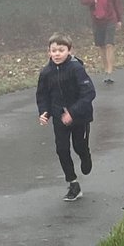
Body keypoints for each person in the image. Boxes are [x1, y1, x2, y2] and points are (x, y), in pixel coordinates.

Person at [36, 33, 96, 202]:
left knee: (79, 146)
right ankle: (73, 183)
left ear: (69, 51)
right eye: (53, 50)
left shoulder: (76, 69)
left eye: (61, 50)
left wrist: (73, 112)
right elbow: (43, 95)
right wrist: (44, 112)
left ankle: (85, 155)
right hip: (58, 117)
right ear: (48, 52)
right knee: (61, 149)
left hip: (80, 117)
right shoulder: (46, 72)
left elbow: (89, 93)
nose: (56, 54)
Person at [79, 0, 123, 83]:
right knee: (102, 46)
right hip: (97, 18)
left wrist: (119, 19)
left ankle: (109, 71)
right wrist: (94, 0)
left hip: (111, 17)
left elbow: (116, 1)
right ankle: (105, 69)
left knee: (110, 44)